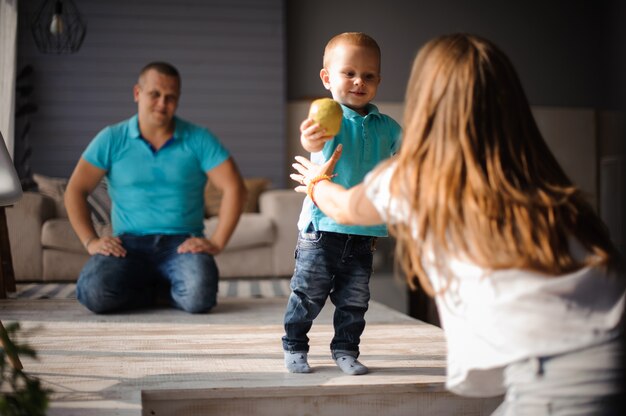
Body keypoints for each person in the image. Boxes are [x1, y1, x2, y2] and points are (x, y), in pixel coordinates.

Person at [290, 34, 625, 414]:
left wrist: (316, 183)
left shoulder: (425, 176)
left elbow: (349, 208)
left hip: (556, 386)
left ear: (428, 102)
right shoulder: (547, 185)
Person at [65, 62, 247, 314]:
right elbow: (75, 190)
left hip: (182, 243)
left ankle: (151, 290)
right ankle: (160, 291)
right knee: (93, 292)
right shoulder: (111, 138)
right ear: (137, 93)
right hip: (126, 245)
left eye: (170, 97)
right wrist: (91, 241)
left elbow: (234, 187)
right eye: (155, 94)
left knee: (199, 297)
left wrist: (216, 241)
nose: (163, 103)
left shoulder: (199, 138)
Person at [282, 32, 401, 375]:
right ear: (327, 78)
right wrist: (309, 137)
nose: (359, 81)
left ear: (379, 79)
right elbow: (312, 139)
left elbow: (409, 158)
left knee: (355, 301)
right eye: (349, 73)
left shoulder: (389, 127)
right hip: (322, 228)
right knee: (308, 295)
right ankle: (294, 346)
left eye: (369, 75)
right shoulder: (328, 117)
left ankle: (346, 350)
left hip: (364, 232)